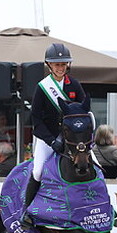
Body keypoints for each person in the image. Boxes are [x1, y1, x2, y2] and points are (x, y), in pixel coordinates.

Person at [26, 43, 87, 217]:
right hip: (48, 137)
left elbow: (84, 112)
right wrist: (51, 141)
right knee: (38, 172)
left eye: (63, 64)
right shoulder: (42, 87)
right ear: (49, 65)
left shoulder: (74, 85)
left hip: (73, 139)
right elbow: (36, 119)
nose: (60, 68)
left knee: (94, 166)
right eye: (56, 64)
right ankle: (27, 212)